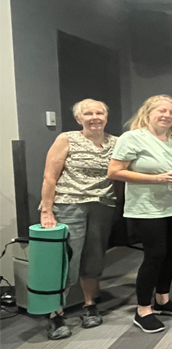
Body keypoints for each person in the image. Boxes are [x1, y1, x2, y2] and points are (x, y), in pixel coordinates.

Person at [109, 95, 172, 333]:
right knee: (155, 255)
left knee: (170, 254)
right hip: (146, 208)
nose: (167, 116)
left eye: (171, 112)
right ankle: (143, 310)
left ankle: (163, 300)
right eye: (162, 111)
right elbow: (115, 172)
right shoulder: (132, 138)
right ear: (148, 112)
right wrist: (156, 178)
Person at [39, 99, 118, 340]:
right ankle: (55, 314)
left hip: (103, 205)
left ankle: (89, 304)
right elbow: (50, 176)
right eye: (88, 113)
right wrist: (47, 210)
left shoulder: (116, 142)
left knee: (94, 257)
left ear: (106, 116)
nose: (94, 117)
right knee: (66, 260)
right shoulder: (67, 138)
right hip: (69, 204)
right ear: (78, 119)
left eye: (99, 113)